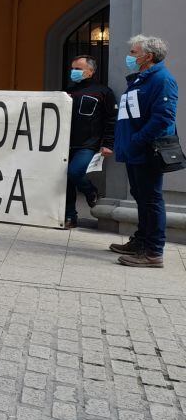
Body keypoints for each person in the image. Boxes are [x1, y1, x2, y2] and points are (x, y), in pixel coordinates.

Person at [112, 35, 179, 268]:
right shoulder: (141, 79)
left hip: (147, 150)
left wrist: (137, 140)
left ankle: (153, 253)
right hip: (135, 150)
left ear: (147, 56)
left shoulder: (161, 79)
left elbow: (163, 118)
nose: (130, 56)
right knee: (141, 197)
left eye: (133, 53)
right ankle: (141, 241)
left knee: (151, 200)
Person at [63, 55, 116, 228]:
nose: (74, 72)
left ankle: (90, 190)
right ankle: (70, 216)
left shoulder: (103, 92)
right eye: (72, 69)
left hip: (88, 144)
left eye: (78, 69)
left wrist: (108, 143)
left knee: (75, 172)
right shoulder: (68, 91)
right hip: (64, 143)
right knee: (66, 181)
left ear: (91, 71)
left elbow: (111, 119)